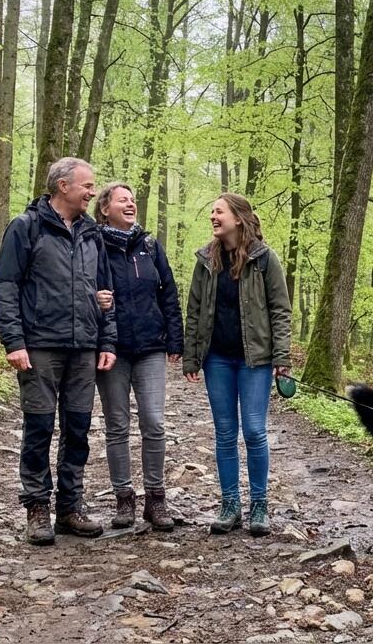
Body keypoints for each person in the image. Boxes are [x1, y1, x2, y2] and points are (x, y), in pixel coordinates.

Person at [0, 157, 116, 546]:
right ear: (63, 186)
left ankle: (69, 507)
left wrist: (107, 340)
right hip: (40, 345)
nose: (92, 192)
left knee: (77, 429)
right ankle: (36, 507)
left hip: (84, 348)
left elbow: (106, 294)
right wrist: (14, 342)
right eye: (87, 185)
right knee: (39, 427)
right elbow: (6, 288)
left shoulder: (93, 234)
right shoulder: (25, 227)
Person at [183, 193, 292, 536]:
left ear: (239, 218)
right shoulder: (205, 260)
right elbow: (194, 310)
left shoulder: (264, 259)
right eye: (212, 211)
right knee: (225, 432)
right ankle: (230, 503)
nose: (213, 216)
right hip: (217, 359)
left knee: (255, 431)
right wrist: (191, 356)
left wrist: (282, 356)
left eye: (219, 211)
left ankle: (259, 504)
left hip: (255, 360)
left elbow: (280, 310)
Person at [93, 182, 183, 531]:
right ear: (105, 209)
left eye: (132, 200)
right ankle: (124, 500)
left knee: (154, 423)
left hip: (150, 348)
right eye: (122, 200)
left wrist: (175, 338)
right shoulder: (94, 244)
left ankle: (156, 499)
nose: (130, 204)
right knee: (117, 426)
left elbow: (169, 293)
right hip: (111, 350)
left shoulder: (150, 246)